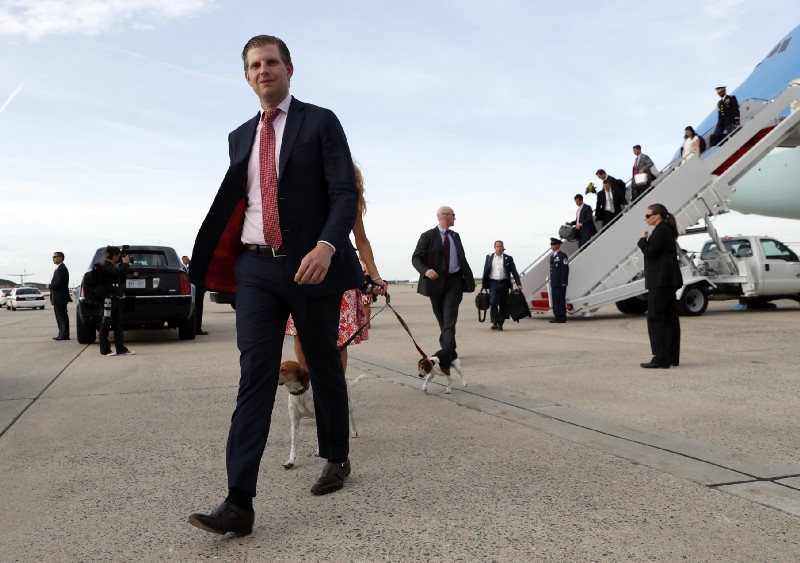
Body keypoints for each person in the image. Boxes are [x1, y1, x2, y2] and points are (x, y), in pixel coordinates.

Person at [187, 35, 364, 536]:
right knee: (254, 376)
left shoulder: (321, 121)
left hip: (312, 264)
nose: (263, 71)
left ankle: (336, 456)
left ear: (289, 68)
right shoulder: (239, 136)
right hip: (256, 269)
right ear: (246, 76)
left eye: (271, 62)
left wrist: (328, 246)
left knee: (322, 362)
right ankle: (239, 501)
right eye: (254, 65)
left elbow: (344, 193)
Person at [287, 163, 388, 373]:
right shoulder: (305, 189)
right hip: (304, 267)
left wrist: (375, 276)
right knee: (301, 329)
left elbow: (362, 240)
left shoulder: (351, 199)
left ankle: (336, 391)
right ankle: (308, 388)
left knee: (339, 336)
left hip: (339, 270)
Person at [412, 206, 475, 352]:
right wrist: (426, 270)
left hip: (454, 282)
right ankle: (450, 347)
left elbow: (461, 258)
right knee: (442, 319)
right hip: (435, 284)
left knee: (449, 316)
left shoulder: (455, 236)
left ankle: (447, 351)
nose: (455, 218)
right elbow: (416, 258)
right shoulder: (427, 236)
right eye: (453, 215)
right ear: (445, 215)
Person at [637, 203, 682, 369]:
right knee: (670, 318)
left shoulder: (661, 230)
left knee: (655, 317)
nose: (646, 218)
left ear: (657, 216)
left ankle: (660, 358)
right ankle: (671, 357)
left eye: (648, 215)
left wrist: (643, 240)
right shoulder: (666, 230)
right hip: (667, 280)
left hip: (661, 281)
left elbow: (650, 252)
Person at [98, 246, 135, 357]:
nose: (119, 257)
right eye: (118, 255)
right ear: (114, 255)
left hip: (117, 299)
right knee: (105, 324)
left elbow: (121, 276)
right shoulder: (105, 266)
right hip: (108, 300)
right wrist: (125, 263)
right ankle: (105, 350)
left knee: (118, 325)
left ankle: (121, 349)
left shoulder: (112, 267)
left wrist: (125, 264)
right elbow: (119, 271)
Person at [481, 240, 522, 331]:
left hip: (504, 283)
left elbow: (514, 272)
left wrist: (518, 283)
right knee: (494, 302)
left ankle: (500, 323)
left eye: (501, 246)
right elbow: (485, 270)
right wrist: (484, 283)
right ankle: (494, 322)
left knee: (503, 304)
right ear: (494, 248)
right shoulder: (489, 257)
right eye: (497, 246)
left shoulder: (508, 258)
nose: (499, 248)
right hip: (493, 283)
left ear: (503, 247)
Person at [181, 256, 207, 335]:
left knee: (195, 309)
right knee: (198, 309)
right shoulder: (199, 263)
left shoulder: (193, 263)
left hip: (195, 288)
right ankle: (197, 329)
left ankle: (196, 328)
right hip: (198, 288)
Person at [49, 251, 70, 340]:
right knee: (60, 317)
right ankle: (62, 333)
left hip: (60, 297)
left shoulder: (62, 269)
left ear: (60, 258)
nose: (53, 258)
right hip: (58, 298)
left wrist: (49, 286)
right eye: (53, 257)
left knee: (62, 316)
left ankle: (64, 334)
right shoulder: (59, 268)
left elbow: (58, 284)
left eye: (55, 256)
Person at [548, 238, 569, 323]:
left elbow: (565, 269)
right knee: (555, 300)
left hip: (560, 282)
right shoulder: (552, 256)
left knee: (560, 299)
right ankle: (557, 316)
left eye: (553, 244)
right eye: (551, 244)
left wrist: (564, 281)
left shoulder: (562, 255)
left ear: (558, 245)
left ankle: (562, 317)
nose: (551, 246)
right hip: (554, 282)